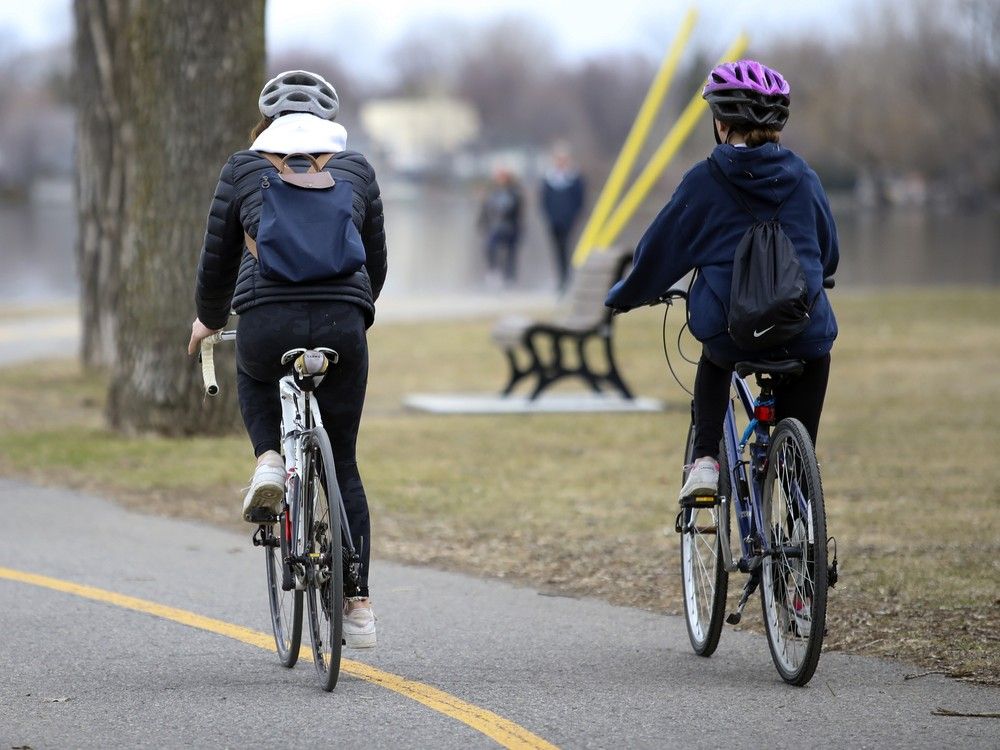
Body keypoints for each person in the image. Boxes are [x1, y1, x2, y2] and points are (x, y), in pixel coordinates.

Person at [186, 70, 386, 648]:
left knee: (253, 376)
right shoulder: (356, 171)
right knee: (342, 461)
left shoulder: (243, 169)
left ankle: (270, 459)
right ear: (329, 122)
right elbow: (375, 263)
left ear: (266, 123)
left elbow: (217, 260)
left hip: (266, 324)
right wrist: (355, 311)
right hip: (342, 327)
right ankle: (358, 606)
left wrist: (208, 317)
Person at [605, 60, 838, 501]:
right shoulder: (805, 178)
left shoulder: (704, 182)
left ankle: (707, 461)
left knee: (714, 360)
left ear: (722, 122)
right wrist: (817, 276)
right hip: (804, 333)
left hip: (734, 335)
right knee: (814, 361)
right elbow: (828, 254)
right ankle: (800, 506)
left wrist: (625, 295)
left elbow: (658, 252)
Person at [540, 146, 585, 291]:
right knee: (558, 250)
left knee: (569, 248)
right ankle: (561, 278)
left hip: (569, 221)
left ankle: (568, 277)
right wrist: (549, 216)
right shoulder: (548, 179)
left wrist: (573, 216)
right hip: (554, 221)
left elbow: (580, 200)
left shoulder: (574, 178)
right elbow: (544, 201)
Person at [478, 166, 522, 286]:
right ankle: (494, 271)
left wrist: (518, 227)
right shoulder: (491, 192)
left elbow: (518, 212)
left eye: (503, 176)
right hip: (494, 227)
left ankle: (510, 277)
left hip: (510, 227)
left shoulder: (514, 192)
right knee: (490, 248)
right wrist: (481, 224)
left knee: (510, 254)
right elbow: (484, 210)